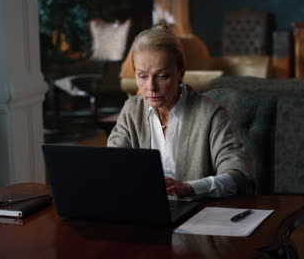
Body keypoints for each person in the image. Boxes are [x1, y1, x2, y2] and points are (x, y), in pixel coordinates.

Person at [107, 25, 255, 199]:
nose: (151, 87)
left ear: (181, 73)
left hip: (198, 216)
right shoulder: (131, 110)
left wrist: (190, 188)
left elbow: (240, 177)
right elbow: (112, 167)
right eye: (142, 76)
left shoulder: (212, 114)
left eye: (162, 76)